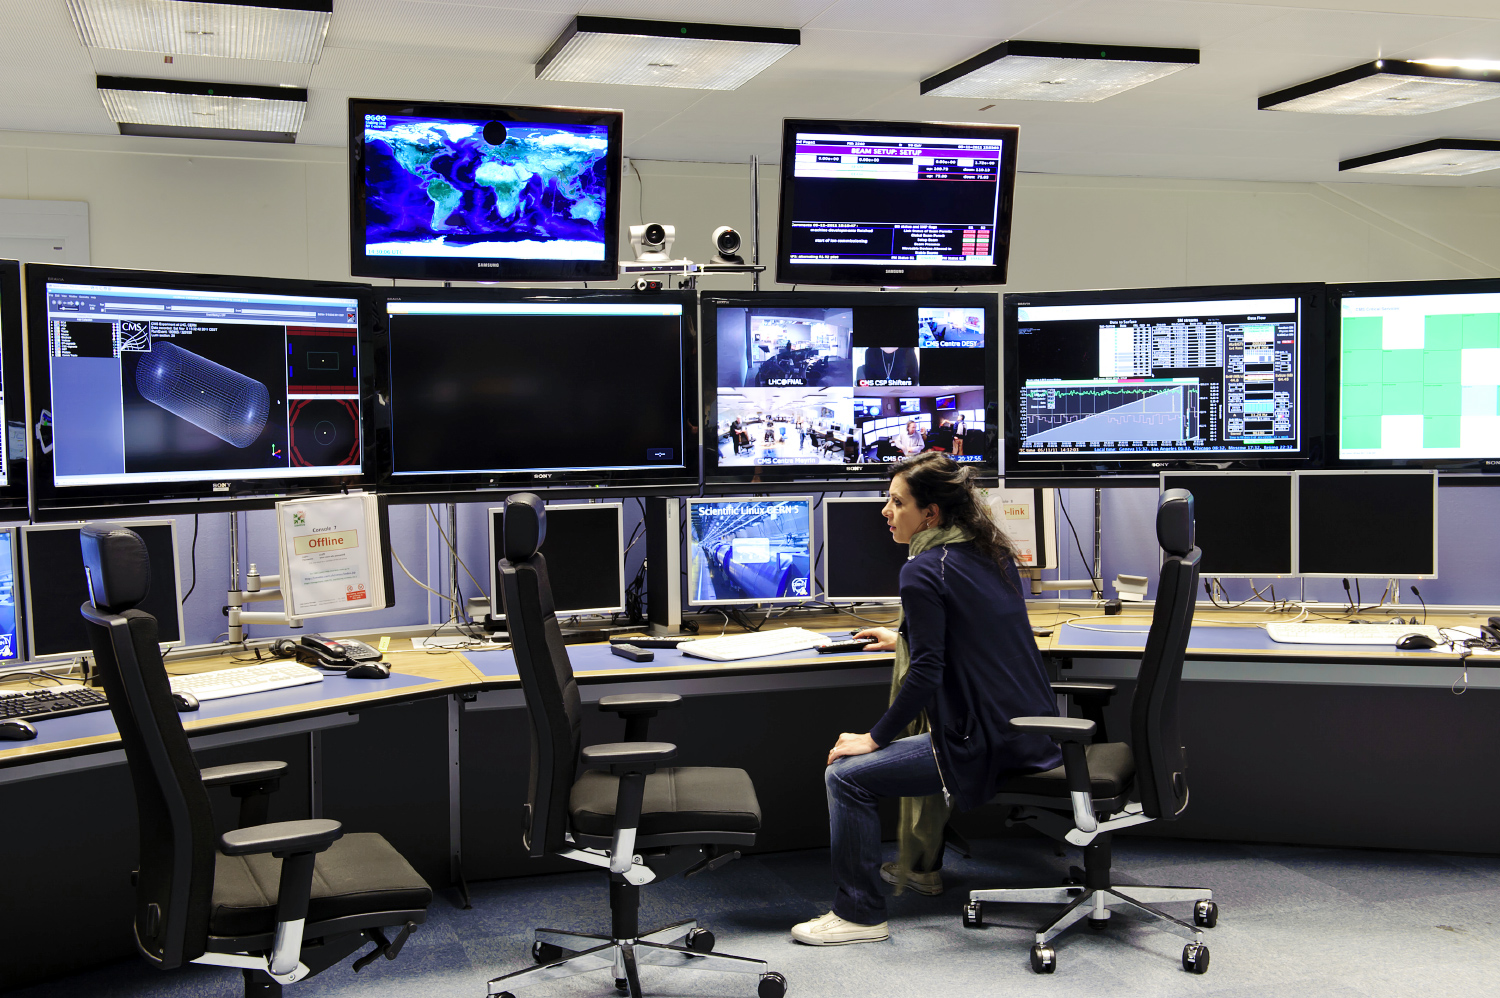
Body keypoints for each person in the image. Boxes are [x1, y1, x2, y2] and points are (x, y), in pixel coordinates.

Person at [790, 453, 1062, 946]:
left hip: (982, 740)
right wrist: (904, 639)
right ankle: (873, 897)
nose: (885, 512)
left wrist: (874, 738)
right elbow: (972, 638)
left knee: (844, 775)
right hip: (1031, 731)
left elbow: (928, 673)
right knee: (854, 770)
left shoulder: (922, 570)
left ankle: (859, 915)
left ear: (931, 514)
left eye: (897, 502)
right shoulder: (991, 554)